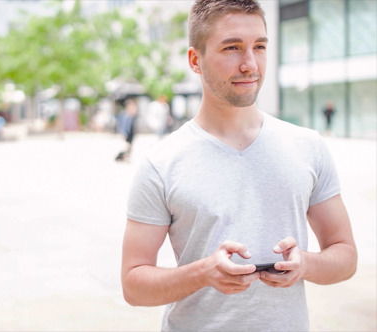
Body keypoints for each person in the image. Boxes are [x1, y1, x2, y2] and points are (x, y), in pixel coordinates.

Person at [121, 1, 357, 331]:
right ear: (195, 60)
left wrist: (307, 264)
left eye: (259, 47)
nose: (250, 64)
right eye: (232, 48)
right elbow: (133, 284)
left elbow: (345, 257)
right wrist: (202, 273)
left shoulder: (308, 146)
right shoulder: (161, 163)